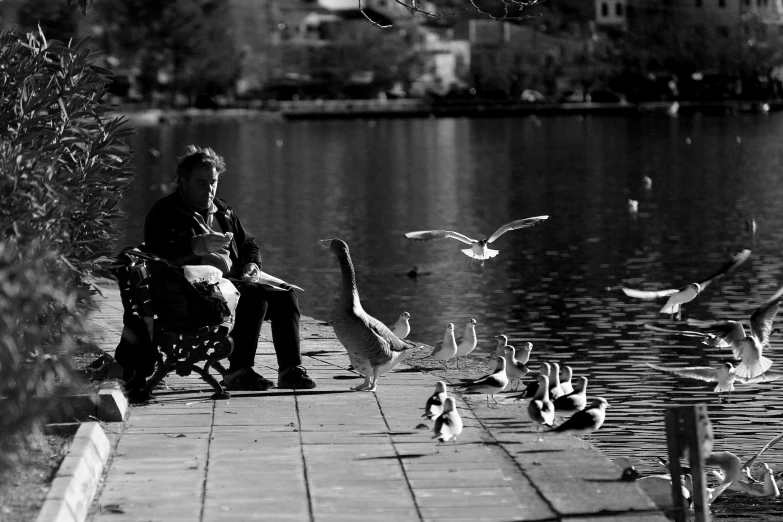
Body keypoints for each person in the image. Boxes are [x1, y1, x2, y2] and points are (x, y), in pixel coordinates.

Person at [143, 145, 315, 390]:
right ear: (182, 182)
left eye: (213, 182)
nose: (209, 189)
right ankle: (239, 371)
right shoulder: (164, 213)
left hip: (230, 286)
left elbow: (248, 244)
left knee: (285, 295)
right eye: (201, 182)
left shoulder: (223, 210)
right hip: (190, 297)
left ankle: (290, 370)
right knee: (253, 297)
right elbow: (159, 253)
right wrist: (196, 247)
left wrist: (251, 265)